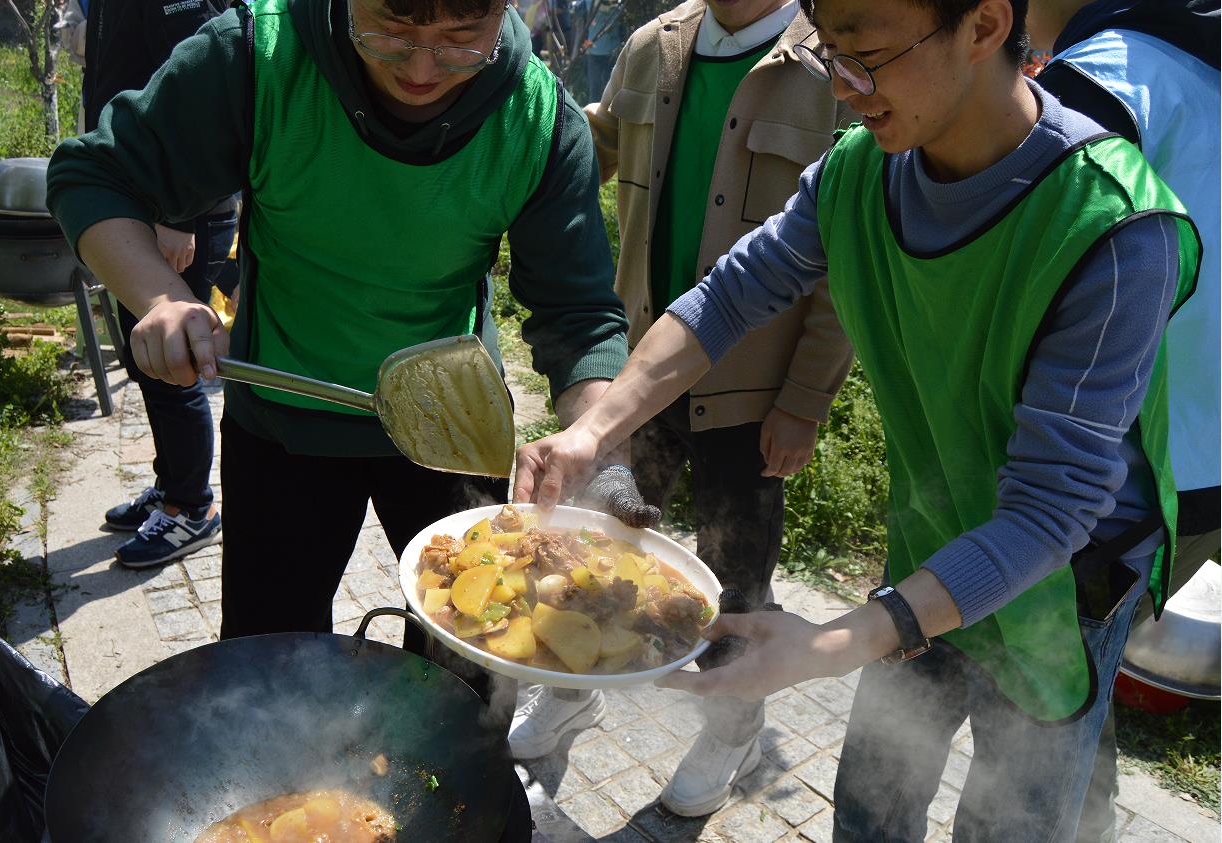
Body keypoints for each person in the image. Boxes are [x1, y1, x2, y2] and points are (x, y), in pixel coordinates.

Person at [513, 0, 1201, 837]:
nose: (844, 86)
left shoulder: (1117, 228)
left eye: (865, 54)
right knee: (874, 802)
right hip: (931, 534)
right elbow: (729, 296)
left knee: (1013, 819)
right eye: (829, 54)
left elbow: (1051, 511)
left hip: (1063, 582)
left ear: (983, 25)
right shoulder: (860, 170)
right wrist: (592, 430)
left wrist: (829, 642)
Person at [47, 0, 652, 709]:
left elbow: (577, 316)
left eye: (461, 38)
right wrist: (157, 296)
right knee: (267, 664)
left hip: (453, 431)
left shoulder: (536, 117)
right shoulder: (256, 57)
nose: (421, 69)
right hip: (283, 418)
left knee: (468, 661)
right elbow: (94, 175)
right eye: (389, 32)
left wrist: (598, 444)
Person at [507, 0, 855, 819]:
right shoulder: (649, 47)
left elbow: (844, 257)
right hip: (641, 366)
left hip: (751, 389)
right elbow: (582, 144)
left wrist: (805, 399)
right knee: (604, 540)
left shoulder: (830, 68)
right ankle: (574, 681)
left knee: (733, 581)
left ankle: (730, 725)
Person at [1023, 2, 1220, 839]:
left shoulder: (1111, 75)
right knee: (1082, 693)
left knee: (1037, 712)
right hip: (1199, 479)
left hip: (1107, 471)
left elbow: (1028, 264)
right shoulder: (1200, 69)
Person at [79, 0, 241, 568]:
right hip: (142, 206)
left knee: (176, 361)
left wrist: (179, 214)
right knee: (147, 358)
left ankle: (191, 508)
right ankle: (171, 485)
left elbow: (205, 83)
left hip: (174, 213)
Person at [575, 0, 622, 102]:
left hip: (612, 51)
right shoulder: (587, 3)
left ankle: (608, 115)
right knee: (595, 88)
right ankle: (593, 116)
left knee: (610, 87)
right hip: (594, 51)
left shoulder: (619, 3)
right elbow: (580, 23)